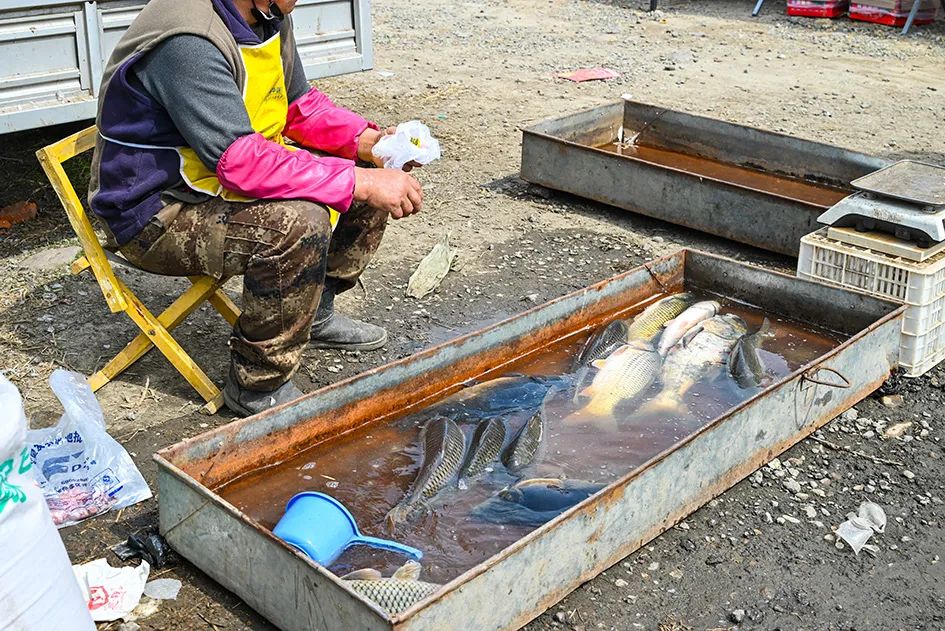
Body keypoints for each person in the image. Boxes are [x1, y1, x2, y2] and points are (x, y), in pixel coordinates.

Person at [88, 0, 423, 416]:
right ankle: (256, 385)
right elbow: (239, 161)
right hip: (156, 212)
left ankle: (315, 310)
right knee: (300, 221)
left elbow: (298, 105)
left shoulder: (267, 14)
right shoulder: (188, 40)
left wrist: (368, 143)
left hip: (219, 179)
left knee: (368, 172)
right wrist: (360, 181)